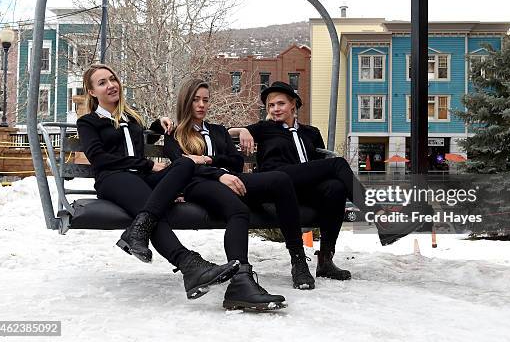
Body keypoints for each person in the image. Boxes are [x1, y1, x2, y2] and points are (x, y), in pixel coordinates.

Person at [76, 64, 239, 300]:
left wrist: (157, 124)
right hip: (113, 179)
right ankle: (189, 264)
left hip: (141, 179)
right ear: (92, 92)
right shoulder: (89, 122)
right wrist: (148, 165)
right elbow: (99, 158)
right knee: (152, 208)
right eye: (102, 83)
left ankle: (136, 232)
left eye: (113, 79)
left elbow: (141, 139)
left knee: (185, 163)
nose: (111, 85)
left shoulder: (131, 118)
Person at [152, 78, 315, 310]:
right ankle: (241, 280)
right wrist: (218, 174)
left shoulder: (218, 131)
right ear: (185, 102)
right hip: (198, 184)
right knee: (238, 210)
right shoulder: (176, 133)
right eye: (196, 100)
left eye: (205, 100)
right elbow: (183, 165)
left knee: (280, 179)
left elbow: (236, 161)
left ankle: (298, 259)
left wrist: (209, 160)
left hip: (231, 180)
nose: (201, 105)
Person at [228, 81, 370, 281]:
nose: (275, 109)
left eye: (280, 104)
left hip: (304, 187)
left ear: (293, 104)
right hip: (276, 182)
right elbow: (224, 133)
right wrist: (241, 130)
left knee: (336, 187)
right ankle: (378, 213)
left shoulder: (311, 132)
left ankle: (326, 260)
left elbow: (318, 167)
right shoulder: (264, 128)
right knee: (337, 164)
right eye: (271, 105)